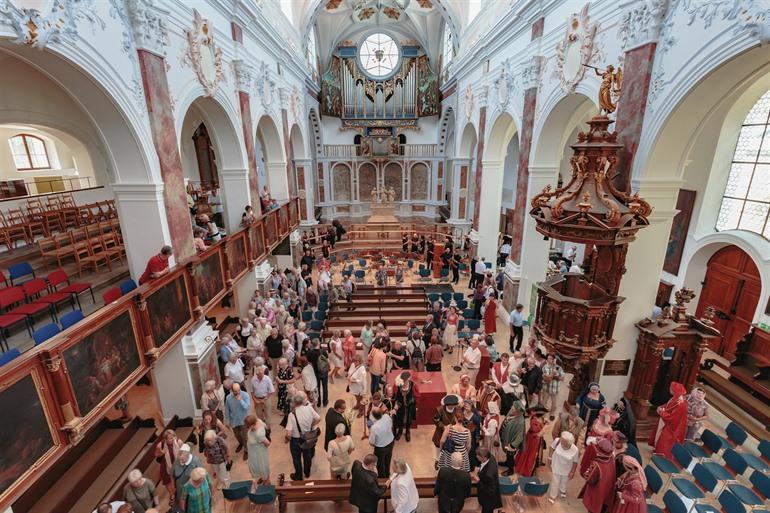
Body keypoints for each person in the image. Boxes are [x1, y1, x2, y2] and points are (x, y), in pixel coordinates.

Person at [285, 392, 321, 480]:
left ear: (294, 403)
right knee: (307, 456)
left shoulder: (291, 415)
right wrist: (311, 425)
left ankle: (298, 476)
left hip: (295, 440)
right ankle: (307, 473)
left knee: (296, 459)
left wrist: (287, 439)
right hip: (307, 437)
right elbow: (318, 418)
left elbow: (288, 434)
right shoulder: (309, 408)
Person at [649, 381, 688, 458]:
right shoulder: (676, 398)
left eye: (671, 388)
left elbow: (672, 418)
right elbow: (668, 406)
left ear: (674, 391)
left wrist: (662, 412)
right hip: (667, 421)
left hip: (673, 426)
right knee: (659, 436)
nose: (669, 389)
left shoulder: (680, 403)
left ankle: (661, 455)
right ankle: (657, 449)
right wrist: (662, 407)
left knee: (665, 440)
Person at [580, 438, 617, 513]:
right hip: (607, 489)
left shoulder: (597, 464)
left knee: (593, 508)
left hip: (597, 491)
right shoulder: (612, 458)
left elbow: (590, 480)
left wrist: (587, 473)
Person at [547, 431, 579, 503]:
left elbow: (575, 462)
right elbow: (551, 447)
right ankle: (553, 496)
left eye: (563, 441)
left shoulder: (575, 449)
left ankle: (562, 490)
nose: (561, 442)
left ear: (569, 442)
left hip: (567, 468)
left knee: (564, 481)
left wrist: (572, 472)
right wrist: (550, 457)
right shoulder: (557, 441)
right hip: (556, 466)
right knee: (555, 482)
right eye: (561, 439)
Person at [171, 444, 202, 513]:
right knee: (181, 503)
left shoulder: (196, 461)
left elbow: (201, 475)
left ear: (188, 456)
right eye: (180, 459)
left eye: (183, 459)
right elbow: (172, 475)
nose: (181, 461)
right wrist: (173, 486)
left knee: (191, 504)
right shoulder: (177, 461)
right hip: (180, 489)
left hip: (192, 489)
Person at [515, 409, 546, 476]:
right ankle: (525, 469)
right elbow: (535, 431)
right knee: (530, 453)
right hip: (532, 439)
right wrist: (544, 427)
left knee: (530, 452)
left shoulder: (539, 419)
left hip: (533, 438)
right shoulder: (534, 420)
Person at [154, 429, 181, 506]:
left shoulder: (178, 441)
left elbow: (185, 451)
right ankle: (172, 495)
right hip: (166, 465)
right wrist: (161, 453)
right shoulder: (160, 445)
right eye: (170, 438)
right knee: (167, 480)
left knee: (179, 479)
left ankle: (180, 494)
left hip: (178, 463)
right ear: (165, 439)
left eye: (173, 437)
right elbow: (156, 454)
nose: (173, 439)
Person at [224, 383, 251, 458]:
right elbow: (227, 410)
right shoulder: (228, 398)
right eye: (235, 391)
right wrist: (227, 420)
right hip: (234, 420)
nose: (238, 392)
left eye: (238, 390)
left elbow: (247, 407)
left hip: (243, 420)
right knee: (237, 435)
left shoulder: (245, 395)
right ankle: (241, 443)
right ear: (232, 390)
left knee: (245, 437)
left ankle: (246, 450)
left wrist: (241, 400)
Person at [499, 400, 526, 474]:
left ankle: (510, 470)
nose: (511, 408)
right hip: (506, 439)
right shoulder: (511, 412)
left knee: (510, 456)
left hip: (511, 443)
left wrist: (512, 445)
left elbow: (520, 436)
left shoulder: (520, 422)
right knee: (508, 455)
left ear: (517, 411)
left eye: (513, 408)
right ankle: (507, 462)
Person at [474, 447, 503, 513]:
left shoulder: (488, 474)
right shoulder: (491, 457)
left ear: (484, 458)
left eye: (478, 455)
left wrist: (478, 481)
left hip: (488, 500)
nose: (476, 456)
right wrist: (480, 469)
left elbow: (490, 490)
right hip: (490, 497)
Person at [368, 407, 395, 478]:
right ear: (381, 413)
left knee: (380, 463)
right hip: (391, 443)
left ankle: (382, 478)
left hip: (381, 448)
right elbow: (391, 426)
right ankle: (387, 473)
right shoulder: (387, 417)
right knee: (388, 460)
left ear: (374, 416)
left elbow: (371, 442)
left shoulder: (374, 427)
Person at [245, 414, 270, 484]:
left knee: (262, 469)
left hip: (259, 455)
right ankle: (262, 477)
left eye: (248, 426)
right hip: (254, 453)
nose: (247, 428)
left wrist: (260, 444)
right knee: (259, 469)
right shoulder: (258, 420)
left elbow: (267, 443)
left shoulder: (258, 434)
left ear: (252, 424)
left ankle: (267, 482)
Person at [392, 371, 417, 442]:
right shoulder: (398, 385)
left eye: (406, 380)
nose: (405, 381)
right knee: (400, 420)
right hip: (400, 407)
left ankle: (407, 432)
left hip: (409, 408)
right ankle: (400, 431)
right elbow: (396, 396)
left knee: (408, 420)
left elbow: (416, 396)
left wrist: (413, 402)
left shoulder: (413, 385)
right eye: (404, 380)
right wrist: (397, 404)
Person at [541, 354, 564, 419]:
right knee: (544, 402)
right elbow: (547, 379)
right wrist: (553, 374)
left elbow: (562, 378)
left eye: (551, 358)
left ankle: (552, 413)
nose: (549, 360)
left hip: (554, 388)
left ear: (554, 359)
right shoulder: (545, 367)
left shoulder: (558, 368)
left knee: (554, 403)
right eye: (548, 358)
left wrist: (554, 377)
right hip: (546, 388)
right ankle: (543, 412)